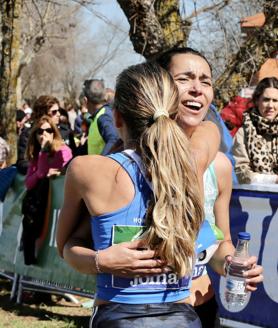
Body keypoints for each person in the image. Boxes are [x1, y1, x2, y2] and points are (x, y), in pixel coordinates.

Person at [57, 62, 221, 327]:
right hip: (182, 318)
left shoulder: (87, 169)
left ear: (117, 117)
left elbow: (65, 248)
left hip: (117, 316)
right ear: (173, 114)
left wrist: (102, 261)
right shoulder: (191, 165)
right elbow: (210, 128)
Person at [155, 47, 263, 327]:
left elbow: (219, 242)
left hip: (200, 308)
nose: (196, 89)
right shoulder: (135, 159)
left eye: (205, 81)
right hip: (141, 312)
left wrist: (232, 265)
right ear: (159, 86)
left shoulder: (220, 167)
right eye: (185, 79)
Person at [22, 115, 72, 265]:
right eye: (40, 131)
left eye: (48, 130)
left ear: (53, 132)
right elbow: (29, 183)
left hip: (60, 205)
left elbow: (64, 170)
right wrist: (40, 169)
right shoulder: (36, 153)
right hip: (39, 204)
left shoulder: (63, 150)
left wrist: (43, 170)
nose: (44, 134)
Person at [233, 77, 278, 184]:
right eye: (266, 100)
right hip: (257, 197)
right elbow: (241, 172)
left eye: (275, 100)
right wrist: (273, 180)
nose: (270, 106)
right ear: (257, 101)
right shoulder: (243, 132)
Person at [16, 95, 62, 174]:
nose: (58, 114)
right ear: (43, 113)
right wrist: (42, 169)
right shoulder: (28, 134)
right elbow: (22, 163)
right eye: (54, 112)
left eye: (58, 111)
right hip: (38, 182)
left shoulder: (63, 131)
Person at [83, 78, 119, 155]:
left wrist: (101, 162)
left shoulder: (103, 116)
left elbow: (114, 139)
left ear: (85, 100)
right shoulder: (98, 116)